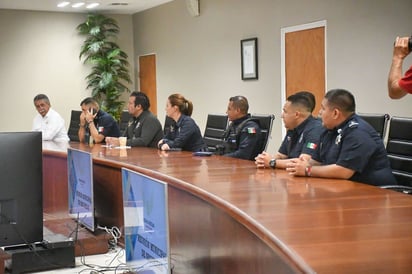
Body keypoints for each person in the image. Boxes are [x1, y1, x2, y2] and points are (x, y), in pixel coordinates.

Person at [287, 88, 397, 186]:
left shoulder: (358, 133)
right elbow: (317, 161)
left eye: (323, 109)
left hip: (376, 193)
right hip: (346, 188)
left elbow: (344, 171)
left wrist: (307, 170)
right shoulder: (328, 130)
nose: (319, 112)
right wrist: (301, 164)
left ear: (335, 113)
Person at [255, 91, 323, 169]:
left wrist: (272, 162)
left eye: (285, 111)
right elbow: (281, 155)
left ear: (296, 114)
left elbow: (303, 162)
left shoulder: (315, 129)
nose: (282, 116)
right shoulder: (292, 128)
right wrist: (264, 159)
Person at [219, 96, 262, 161]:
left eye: (229, 109)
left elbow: (243, 154)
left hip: (245, 168)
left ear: (238, 110)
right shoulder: (234, 124)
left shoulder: (251, 128)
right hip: (231, 164)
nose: (226, 112)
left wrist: (222, 158)